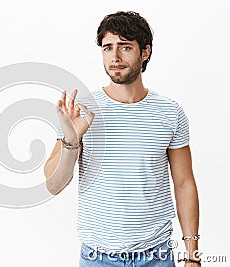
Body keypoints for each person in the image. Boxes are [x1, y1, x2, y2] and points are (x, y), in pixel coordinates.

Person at [44, 11, 200, 266]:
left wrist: (192, 255)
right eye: (108, 48)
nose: (114, 57)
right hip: (97, 257)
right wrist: (72, 140)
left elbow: (183, 183)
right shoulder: (81, 110)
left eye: (125, 47)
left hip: (157, 255)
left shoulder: (170, 113)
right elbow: (53, 185)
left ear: (145, 52)